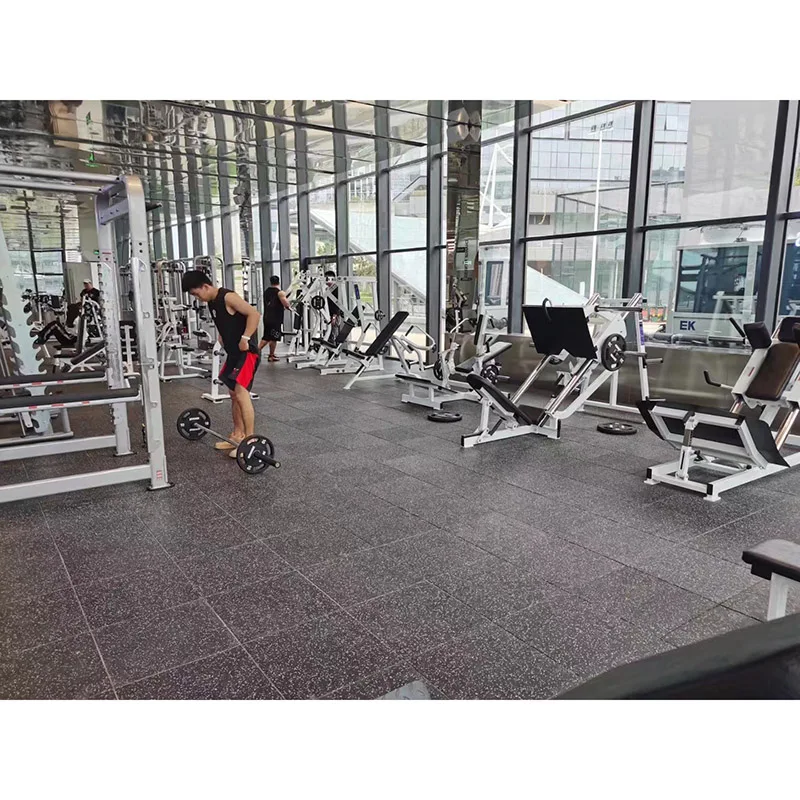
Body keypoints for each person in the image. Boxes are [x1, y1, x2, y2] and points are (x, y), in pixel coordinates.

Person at [181, 270, 262, 458]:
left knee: (241, 393)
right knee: (233, 394)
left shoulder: (228, 297)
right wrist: (222, 335)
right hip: (233, 352)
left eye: (196, 293)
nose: (197, 298)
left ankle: (250, 442)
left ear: (205, 286)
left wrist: (245, 337)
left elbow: (254, 314)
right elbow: (227, 321)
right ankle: (238, 435)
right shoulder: (211, 302)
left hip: (246, 353)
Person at [259, 275, 291, 362]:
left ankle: (271, 355)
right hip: (275, 318)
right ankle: (254, 352)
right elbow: (286, 304)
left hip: (267, 317)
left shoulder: (266, 291)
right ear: (279, 282)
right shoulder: (280, 293)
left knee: (272, 337)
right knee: (268, 338)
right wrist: (288, 305)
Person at [324, 270, 344, 343]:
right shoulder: (327, 289)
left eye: (327, 278)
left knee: (333, 334)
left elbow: (337, 304)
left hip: (334, 315)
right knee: (328, 334)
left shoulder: (336, 289)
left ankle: (334, 347)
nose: (326, 280)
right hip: (328, 314)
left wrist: (334, 317)